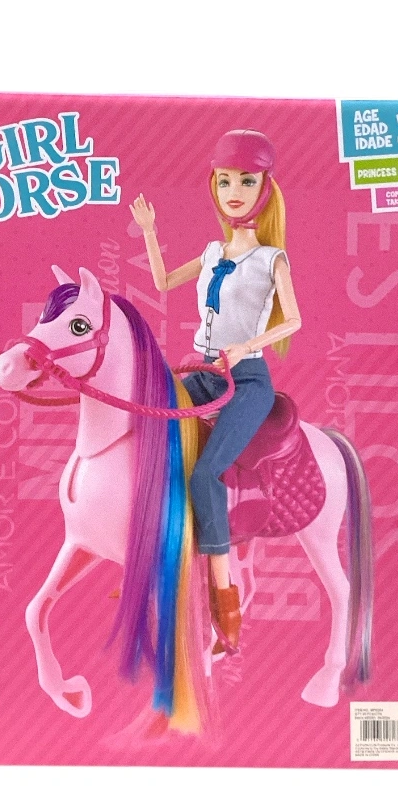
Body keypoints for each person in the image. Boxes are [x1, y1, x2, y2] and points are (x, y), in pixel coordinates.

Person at [129, 130, 302, 654]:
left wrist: (246, 345)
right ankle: (153, 553)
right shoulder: (211, 252)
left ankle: (225, 598)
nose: (234, 191)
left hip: (245, 379)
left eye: (246, 181)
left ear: (264, 188)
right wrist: (149, 231)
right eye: (225, 181)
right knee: (149, 425)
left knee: (206, 472)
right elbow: (162, 282)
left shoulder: (272, 260)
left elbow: (294, 319)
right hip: (203, 371)